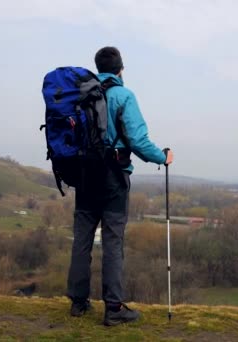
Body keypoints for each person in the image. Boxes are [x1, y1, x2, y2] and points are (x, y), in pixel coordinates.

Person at [67, 46, 174, 326]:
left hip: (84, 176)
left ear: (97, 67)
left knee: (82, 239)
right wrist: (162, 157)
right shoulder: (124, 95)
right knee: (113, 242)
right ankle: (113, 308)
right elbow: (138, 140)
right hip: (113, 178)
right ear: (120, 69)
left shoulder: (80, 94)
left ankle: (78, 302)